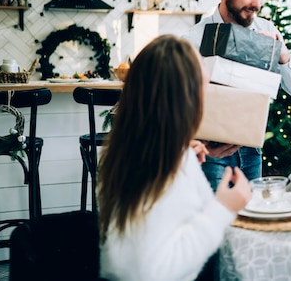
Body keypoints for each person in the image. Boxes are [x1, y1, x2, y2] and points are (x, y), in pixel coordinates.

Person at [97, 35, 252, 281]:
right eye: (204, 90)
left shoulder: (134, 149)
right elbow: (152, 272)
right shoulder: (155, 170)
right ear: (184, 102)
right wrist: (223, 208)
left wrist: (181, 153)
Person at [183, 0, 291, 190]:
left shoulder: (267, 31)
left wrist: (282, 54)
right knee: (216, 222)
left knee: (250, 221)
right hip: (210, 153)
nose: (257, 3)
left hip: (252, 151)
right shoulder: (193, 40)